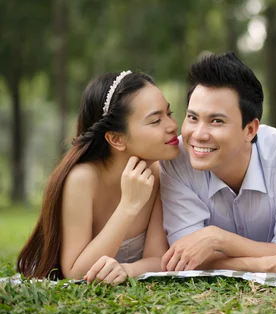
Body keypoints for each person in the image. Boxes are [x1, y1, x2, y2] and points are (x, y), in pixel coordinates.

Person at [160, 52, 276, 276]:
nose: (198, 135)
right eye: (192, 118)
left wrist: (216, 238)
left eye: (216, 121)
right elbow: (186, 256)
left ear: (250, 129)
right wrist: (263, 264)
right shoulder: (176, 160)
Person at [17, 71, 179, 285]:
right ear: (115, 138)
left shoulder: (159, 173)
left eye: (170, 113)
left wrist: (126, 270)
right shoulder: (82, 180)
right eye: (156, 120)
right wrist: (129, 205)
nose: (173, 125)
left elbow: (159, 259)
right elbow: (76, 273)